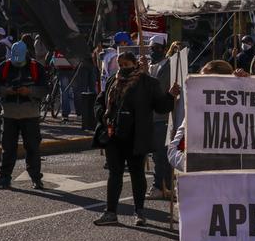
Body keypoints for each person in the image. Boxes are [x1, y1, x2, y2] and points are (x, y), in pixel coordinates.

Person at [92, 52, 180, 226]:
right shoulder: (112, 81)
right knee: (114, 174)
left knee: (137, 175)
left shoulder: (148, 83)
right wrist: (104, 116)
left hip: (136, 137)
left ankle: (139, 212)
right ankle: (111, 213)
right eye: (121, 64)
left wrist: (170, 95)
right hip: (114, 136)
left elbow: (161, 107)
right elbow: (99, 103)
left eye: (127, 64)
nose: (123, 68)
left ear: (134, 64)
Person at [0, 41, 47, 190]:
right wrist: (7, 90)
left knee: (33, 147)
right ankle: (4, 177)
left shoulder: (36, 68)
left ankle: (35, 178)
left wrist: (30, 92)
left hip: (30, 115)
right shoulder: (4, 67)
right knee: (7, 148)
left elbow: (44, 89)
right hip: (9, 115)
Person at [147, 35, 174, 200]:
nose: (153, 51)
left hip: (163, 116)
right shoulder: (151, 66)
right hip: (151, 116)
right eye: (151, 48)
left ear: (164, 49)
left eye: (157, 48)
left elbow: (160, 89)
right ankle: (165, 186)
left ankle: (160, 186)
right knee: (157, 154)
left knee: (161, 154)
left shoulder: (169, 67)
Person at [50, 49, 77, 123]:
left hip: (62, 69)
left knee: (64, 92)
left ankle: (65, 114)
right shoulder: (72, 43)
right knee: (75, 91)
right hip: (71, 69)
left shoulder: (58, 43)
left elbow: (55, 59)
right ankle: (79, 112)